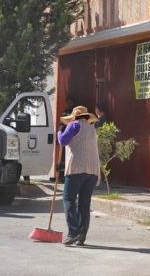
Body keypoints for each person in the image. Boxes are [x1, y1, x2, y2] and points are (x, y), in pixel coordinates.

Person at [57, 105, 101, 246]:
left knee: (68, 199)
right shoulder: (91, 128)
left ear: (75, 116)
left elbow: (63, 141)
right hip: (93, 170)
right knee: (84, 203)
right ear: (87, 116)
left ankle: (73, 232)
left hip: (77, 168)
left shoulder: (74, 125)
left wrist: (60, 132)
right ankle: (81, 236)